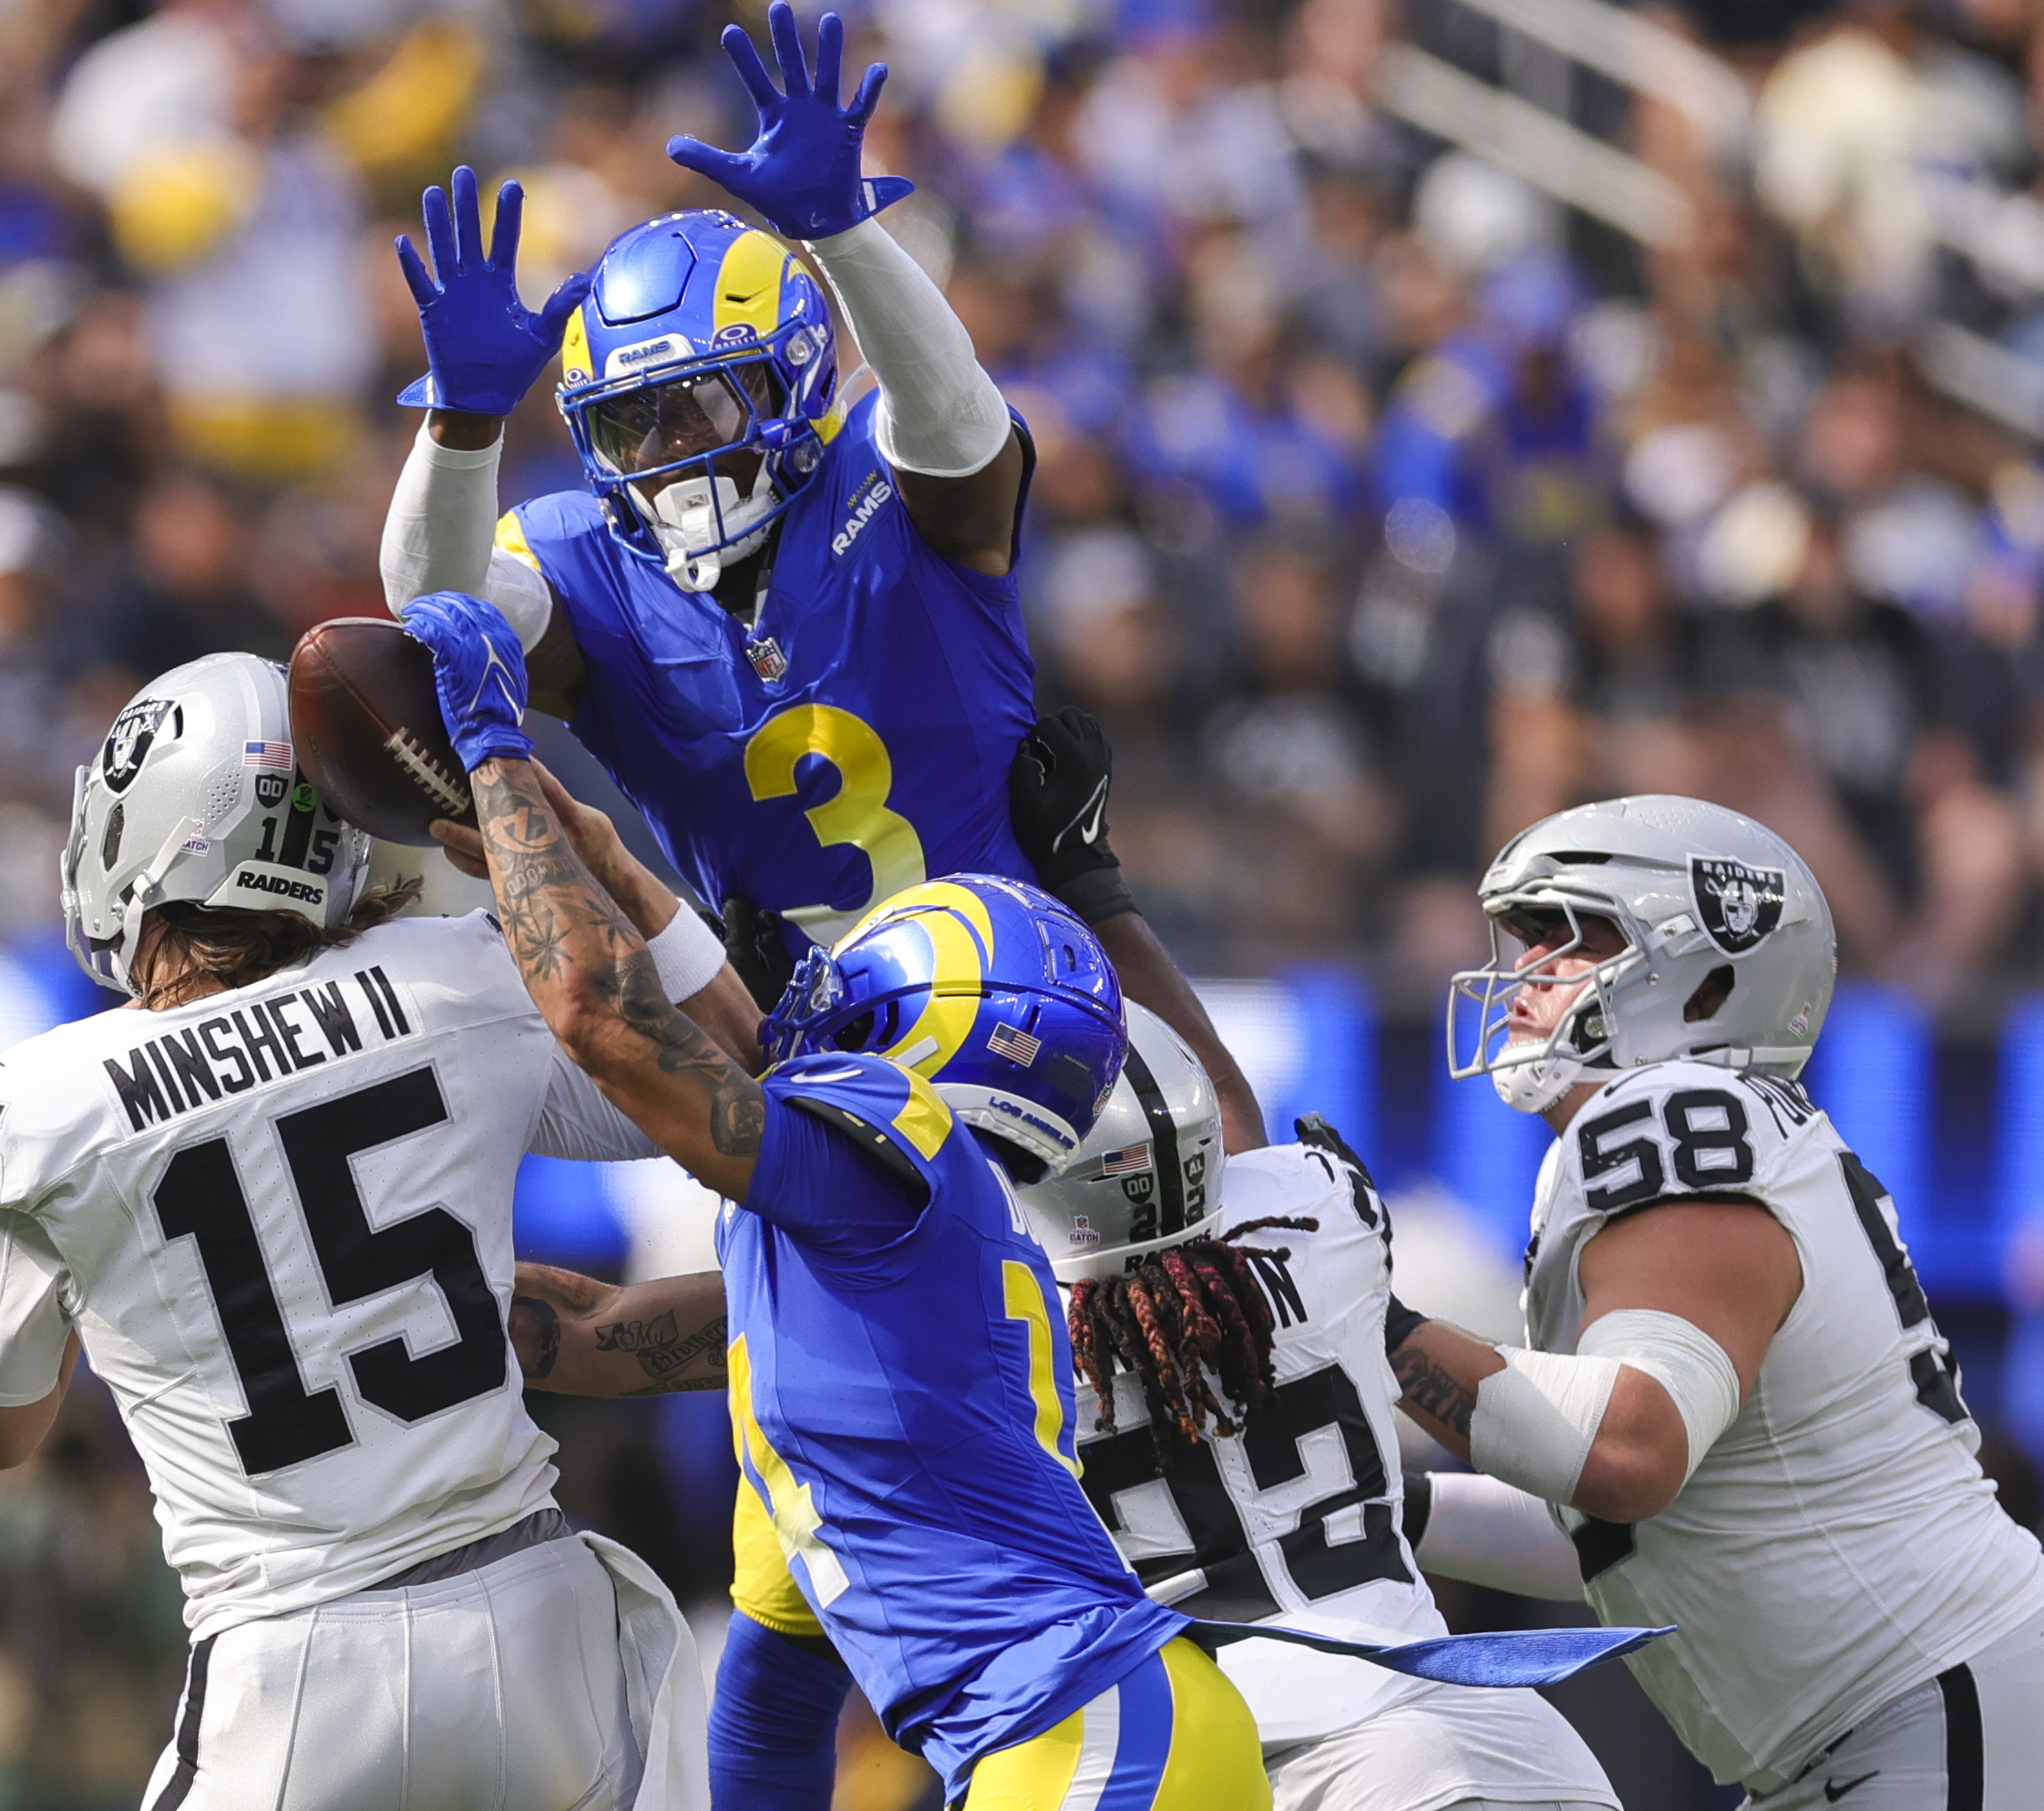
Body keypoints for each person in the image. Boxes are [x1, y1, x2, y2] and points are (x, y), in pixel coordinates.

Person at [402, 588, 1654, 1808]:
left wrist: (515, 765)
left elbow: (637, 1110)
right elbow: (1216, 1118)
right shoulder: (1294, 1219)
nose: (815, 1037)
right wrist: (1094, 887)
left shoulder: (934, 1254)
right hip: (1439, 1713)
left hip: (1172, 1735)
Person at [377, 1, 1263, 1153]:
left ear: (793, 376)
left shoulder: (887, 479)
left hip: (1031, 1014)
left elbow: (952, 412)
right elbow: (427, 611)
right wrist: (459, 427)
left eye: (697, 405)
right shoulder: (584, 559)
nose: (668, 454)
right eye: (630, 425)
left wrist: (846, 235)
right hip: (806, 1068)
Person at [0, 652, 718, 1810]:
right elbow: (718, 1087)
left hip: (296, 1663)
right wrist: (599, 867)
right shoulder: (459, 977)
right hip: (540, 1619)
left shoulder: (41, 1102)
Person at [1388, 794, 2044, 1807]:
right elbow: (1625, 1537)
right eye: (1523, 940)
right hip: (1887, 1720)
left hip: (1923, 1701)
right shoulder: (1678, 1137)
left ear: (1702, 987)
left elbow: (1625, 1455)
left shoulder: (1670, 1115)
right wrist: (1375, 1503)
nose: (1521, 973)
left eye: (1568, 940)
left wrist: (1358, 1328)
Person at [1040, 1033, 1618, 1811]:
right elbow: (1224, 1134)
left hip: (1247, 1762)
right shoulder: (1314, 1207)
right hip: (1500, 1730)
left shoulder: (978, 1330)